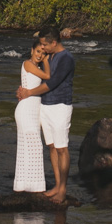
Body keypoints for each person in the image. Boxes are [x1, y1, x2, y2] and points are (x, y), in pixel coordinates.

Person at [16, 26, 74, 203]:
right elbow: (32, 73)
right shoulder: (50, 56)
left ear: (54, 43)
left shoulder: (66, 58)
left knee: (62, 148)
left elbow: (52, 83)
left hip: (60, 106)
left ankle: (62, 189)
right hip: (45, 106)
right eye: (40, 45)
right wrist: (24, 90)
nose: (43, 48)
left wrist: (28, 92)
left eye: (44, 45)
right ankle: (57, 185)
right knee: (51, 147)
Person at [13, 41, 50, 192]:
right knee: (34, 146)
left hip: (34, 110)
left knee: (28, 147)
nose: (40, 55)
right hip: (26, 109)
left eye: (43, 53)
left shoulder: (36, 67)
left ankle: (25, 186)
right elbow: (48, 76)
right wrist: (47, 60)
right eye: (38, 52)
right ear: (32, 50)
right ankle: (33, 186)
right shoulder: (28, 64)